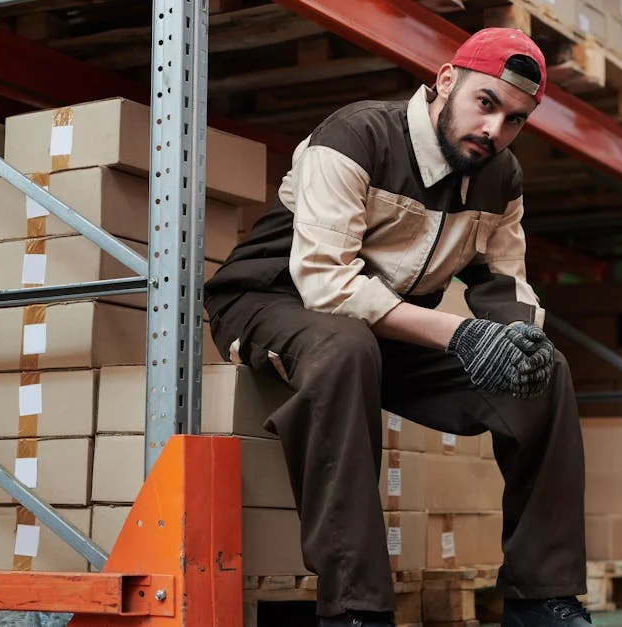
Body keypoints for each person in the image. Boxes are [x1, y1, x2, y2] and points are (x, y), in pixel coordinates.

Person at [204, 27, 592, 627]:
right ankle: (356, 610)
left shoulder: (500, 178)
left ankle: (542, 599)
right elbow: (325, 284)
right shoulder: (356, 136)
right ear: (445, 82)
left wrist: (518, 338)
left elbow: (505, 281)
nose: (494, 129)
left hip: (389, 329)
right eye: (485, 104)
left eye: (514, 120)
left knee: (545, 373)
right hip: (275, 301)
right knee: (345, 347)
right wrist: (458, 334)